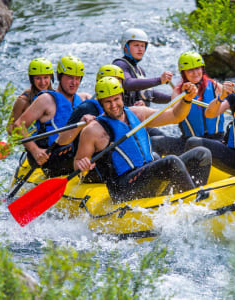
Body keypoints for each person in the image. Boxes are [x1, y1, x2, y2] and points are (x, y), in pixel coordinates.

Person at [74, 77, 212, 202]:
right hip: (123, 188)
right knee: (171, 161)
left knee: (201, 153)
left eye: (116, 99)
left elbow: (176, 116)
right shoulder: (93, 130)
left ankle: (189, 199)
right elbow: (78, 163)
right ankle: (195, 203)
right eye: (108, 102)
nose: (114, 105)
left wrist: (187, 100)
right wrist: (83, 167)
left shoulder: (138, 113)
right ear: (101, 103)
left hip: (145, 176)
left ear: (122, 97)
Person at [13, 55, 91, 177]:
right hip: (52, 158)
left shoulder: (83, 99)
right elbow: (18, 125)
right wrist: (35, 151)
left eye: (78, 78)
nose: (74, 82)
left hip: (73, 154)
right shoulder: (46, 99)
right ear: (59, 76)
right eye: (70, 77)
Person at [151, 51, 225, 155]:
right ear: (183, 73)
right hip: (188, 143)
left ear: (202, 69)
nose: (195, 73)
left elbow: (234, 105)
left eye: (198, 68)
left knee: (194, 142)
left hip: (216, 142)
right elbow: (175, 116)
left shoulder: (215, 87)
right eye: (190, 70)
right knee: (154, 142)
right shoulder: (178, 92)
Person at [112, 28, 173, 107]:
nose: (140, 49)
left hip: (133, 115)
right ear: (125, 47)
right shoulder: (119, 64)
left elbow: (151, 95)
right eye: (136, 45)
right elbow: (128, 83)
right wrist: (159, 80)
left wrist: (172, 98)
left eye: (143, 46)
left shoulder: (140, 71)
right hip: (120, 115)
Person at [7, 57, 54, 134]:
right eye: (38, 78)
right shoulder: (23, 101)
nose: (42, 82)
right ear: (32, 79)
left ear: (51, 78)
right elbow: (10, 127)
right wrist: (23, 133)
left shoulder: (56, 97)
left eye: (46, 77)